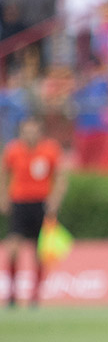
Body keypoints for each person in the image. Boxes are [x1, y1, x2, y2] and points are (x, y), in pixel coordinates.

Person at [1, 116, 67, 308]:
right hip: (19, 203)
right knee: (12, 248)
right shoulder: (13, 150)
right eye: (26, 131)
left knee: (40, 252)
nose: (29, 135)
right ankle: (12, 295)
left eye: (33, 131)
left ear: (40, 132)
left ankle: (35, 296)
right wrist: (3, 197)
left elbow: (61, 177)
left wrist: (55, 200)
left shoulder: (50, 150)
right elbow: (3, 173)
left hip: (41, 204)